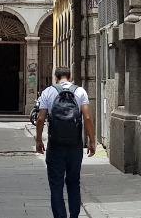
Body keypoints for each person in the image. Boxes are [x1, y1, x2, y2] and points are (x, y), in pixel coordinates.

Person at [34, 68, 95, 218]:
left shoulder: (48, 92)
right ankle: (74, 215)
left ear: (56, 78)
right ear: (70, 76)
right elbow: (87, 118)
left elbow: (41, 118)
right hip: (75, 145)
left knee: (56, 185)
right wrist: (92, 140)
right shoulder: (80, 91)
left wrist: (38, 139)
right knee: (74, 182)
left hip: (55, 145)